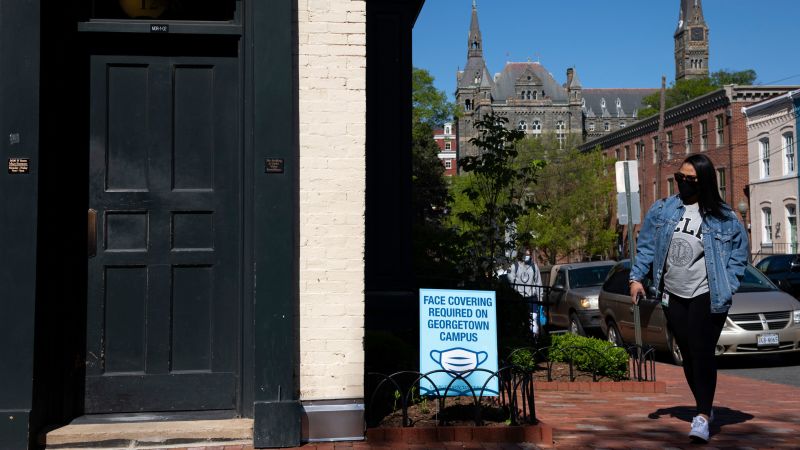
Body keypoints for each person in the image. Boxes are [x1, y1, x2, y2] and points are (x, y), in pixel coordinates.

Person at [629, 154, 748, 443]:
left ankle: (702, 417)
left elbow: (739, 255)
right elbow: (645, 247)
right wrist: (635, 278)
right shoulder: (663, 210)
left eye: (689, 179)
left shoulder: (725, 217)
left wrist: (729, 285)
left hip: (707, 293)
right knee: (687, 354)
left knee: (701, 350)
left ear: (704, 181)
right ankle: (704, 405)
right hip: (672, 293)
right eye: (679, 178)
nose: (682, 183)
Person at [508, 248, 544, 336]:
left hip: (532, 297)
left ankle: (534, 340)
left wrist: (540, 298)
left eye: (529, 254)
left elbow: (538, 282)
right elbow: (511, 283)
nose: (528, 256)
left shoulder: (534, 266)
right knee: (520, 320)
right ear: (521, 255)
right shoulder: (514, 266)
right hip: (519, 298)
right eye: (526, 254)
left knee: (534, 320)